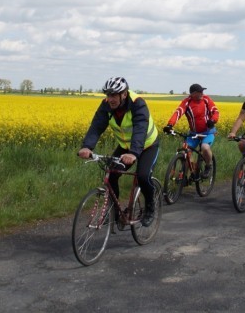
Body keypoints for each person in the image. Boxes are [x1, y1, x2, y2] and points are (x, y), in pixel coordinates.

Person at [78, 77, 160, 226]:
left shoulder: (137, 104)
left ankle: (150, 207)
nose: (110, 99)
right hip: (125, 146)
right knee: (112, 175)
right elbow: (96, 126)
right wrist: (87, 147)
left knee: (143, 175)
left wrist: (134, 153)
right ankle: (115, 213)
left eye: (113, 95)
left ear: (124, 94)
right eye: (108, 95)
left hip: (148, 145)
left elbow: (140, 129)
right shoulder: (106, 106)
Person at [164, 83, 219, 179]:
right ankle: (186, 175)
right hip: (194, 133)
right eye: (200, 91)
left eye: (202, 91)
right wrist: (170, 125)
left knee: (205, 148)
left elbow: (215, 111)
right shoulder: (187, 102)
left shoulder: (206, 99)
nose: (202, 93)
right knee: (186, 152)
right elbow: (178, 112)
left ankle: (208, 166)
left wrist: (213, 120)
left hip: (208, 132)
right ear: (193, 94)